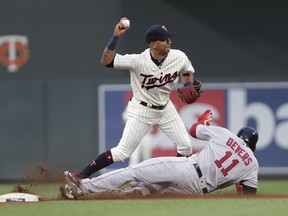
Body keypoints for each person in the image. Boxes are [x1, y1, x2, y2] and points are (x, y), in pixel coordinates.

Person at [70, 17, 203, 179]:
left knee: (186, 147)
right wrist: (116, 36)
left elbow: (187, 71)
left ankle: (176, 181)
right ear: (153, 44)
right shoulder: (138, 61)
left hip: (166, 108)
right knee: (122, 152)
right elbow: (106, 61)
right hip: (142, 109)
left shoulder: (179, 56)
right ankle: (80, 176)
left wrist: (188, 85)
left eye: (169, 38)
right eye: (164, 39)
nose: (169, 41)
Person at [62, 109, 259, 199]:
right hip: (196, 192)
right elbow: (247, 195)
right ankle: (115, 195)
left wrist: (202, 121)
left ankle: (82, 187)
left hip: (188, 169)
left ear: (240, 136)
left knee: (133, 171)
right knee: (143, 192)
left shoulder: (226, 135)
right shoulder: (253, 164)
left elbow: (193, 130)